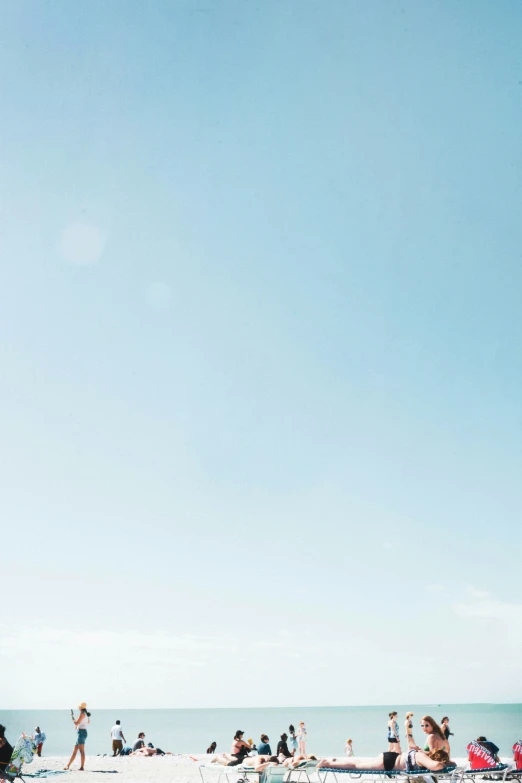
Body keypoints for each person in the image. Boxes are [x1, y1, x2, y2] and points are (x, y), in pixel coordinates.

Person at [316, 745, 452, 773]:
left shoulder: (423, 754)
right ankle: (327, 763)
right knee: (356, 766)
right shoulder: (422, 757)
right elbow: (435, 766)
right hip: (389, 763)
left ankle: (332, 761)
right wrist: (443, 764)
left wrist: (448, 762)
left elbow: (453, 763)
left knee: (359, 762)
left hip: (390, 758)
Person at [64, 703, 91, 771]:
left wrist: (72, 717)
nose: (78, 708)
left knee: (81, 751)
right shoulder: (86, 714)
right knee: (75, 750)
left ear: (81, 708)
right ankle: (68, 765)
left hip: (81, 733)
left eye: (79, 707)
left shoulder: (82, 713)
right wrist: (78, 725)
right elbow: (88, 722)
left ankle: (82, 767)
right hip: (82, 733)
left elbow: (76, 722)